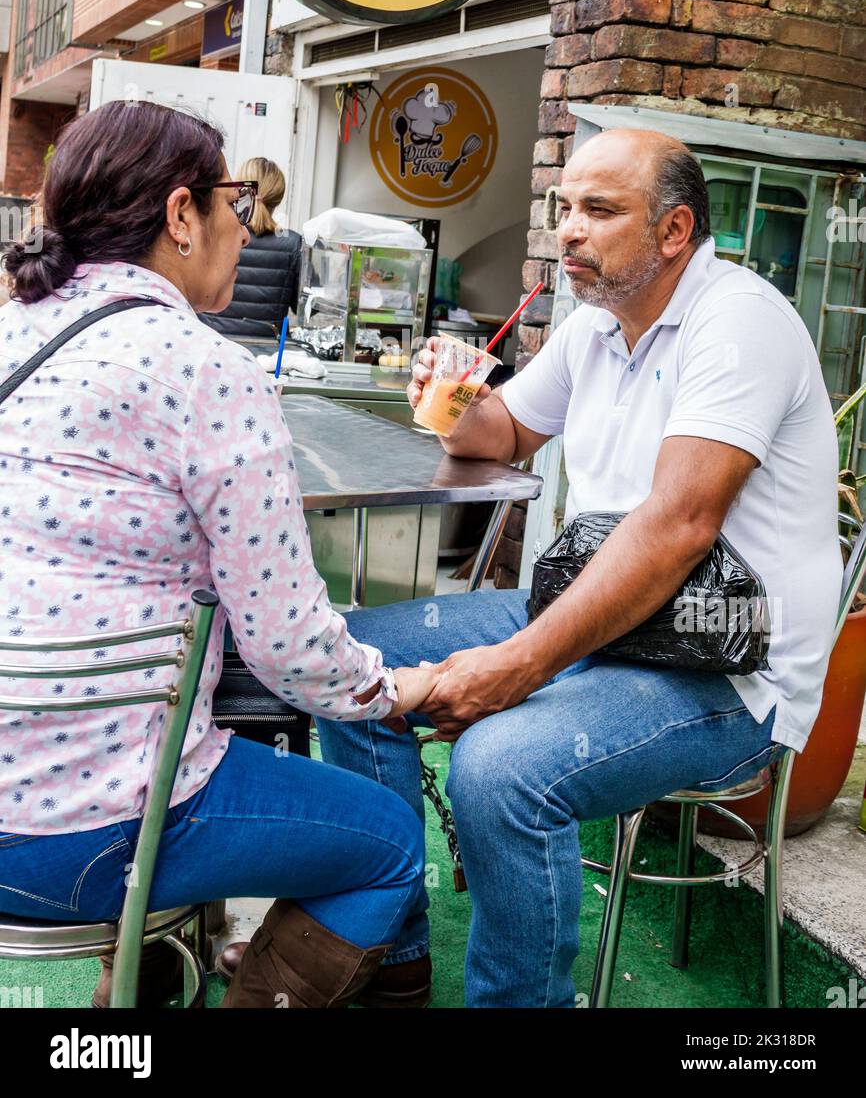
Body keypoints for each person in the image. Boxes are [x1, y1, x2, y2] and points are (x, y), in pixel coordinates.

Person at [316, 127, 842, 1008]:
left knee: (495, 765)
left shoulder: (736, 323)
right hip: (611, 619)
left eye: (599, 210)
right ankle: (394, 953)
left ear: (674, 232)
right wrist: (451, 397)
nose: (569, 231)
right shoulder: (598, 323)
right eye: (566, 209)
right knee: (349, 663)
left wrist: (518, 668)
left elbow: (677, 526)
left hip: (727, 667)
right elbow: (507, 434)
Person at [0, 99, 436, 1010]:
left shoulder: (11, 334)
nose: (245, 221)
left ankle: (150, 981)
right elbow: (289, 647)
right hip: (92, 836)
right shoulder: (208, 371)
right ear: (179, 214)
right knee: (390, 839)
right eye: (232, 197)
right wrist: (397, 690)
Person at [198, 156, 302, 339]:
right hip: (268, 356)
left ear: (239, 188)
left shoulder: (215, 231)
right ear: (278, 195)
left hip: (214, 347)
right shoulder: (293, 243)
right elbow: (302, 307)